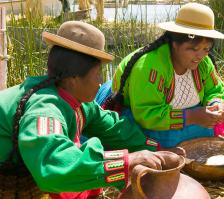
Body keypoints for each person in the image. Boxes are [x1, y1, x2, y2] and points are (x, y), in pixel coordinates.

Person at [0, 21, 181, 199]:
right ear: (73, 79)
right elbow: (54, 166)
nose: (101, 82)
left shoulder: (77, 101)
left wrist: (158, 149)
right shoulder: (45, 110)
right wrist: (127, 161)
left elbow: (113, 129)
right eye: (97, 75)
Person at [96, 3, 224, 148]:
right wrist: (192, 117)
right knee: (161, 141)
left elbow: (214, 90)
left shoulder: (204, 63)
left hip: (183, 116)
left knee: (206, 130)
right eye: (193, 49)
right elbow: (146, 113)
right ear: (175, 43)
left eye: (206, 49)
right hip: (140, 114)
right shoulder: (149, 67)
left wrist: (216, 104)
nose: (200, 56)